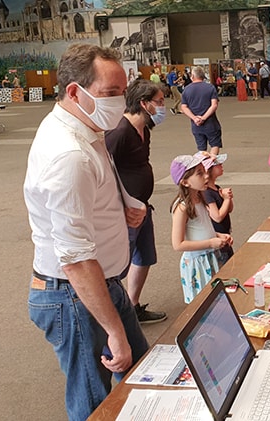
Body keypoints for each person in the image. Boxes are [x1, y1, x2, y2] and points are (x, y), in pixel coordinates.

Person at [23, 43, 149, 421]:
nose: (120, 102)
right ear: (75, 91)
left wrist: (123, 200)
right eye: (110, 94)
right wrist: (114, 330)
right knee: (94, 401)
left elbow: (98, 178)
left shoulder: (84, 125)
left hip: (100, 284)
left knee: (143, 374)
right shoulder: (68, 155)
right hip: (74, 295)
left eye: (122, 92)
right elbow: (75, 259)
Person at [105, 79, 167, 324]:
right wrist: (121, 207)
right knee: (118, 265)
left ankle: (132, 306)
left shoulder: (145, 129)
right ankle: (114, 316)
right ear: (144, 103)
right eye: (159, 102)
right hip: (126, 212)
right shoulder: (119, 132)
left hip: (142, 206)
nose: (163, 106)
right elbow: (104, 172)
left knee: (145, 257)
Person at [170, 154, 233, 303]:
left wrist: (219, 235)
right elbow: (178, 244)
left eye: (204, 171)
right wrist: (211, 243)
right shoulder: (182, 208)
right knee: (202, 304)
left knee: (217, 300)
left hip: (211, 256)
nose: (206, 176)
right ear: (185, 182)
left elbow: (202, 228)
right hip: (198, 263)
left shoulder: (201, 197)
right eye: (199, 173)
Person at [200, 152, 235, 266]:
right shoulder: (206, 193)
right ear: (208, 170)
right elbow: (217, 217)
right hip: (217, 239)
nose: (221, 165)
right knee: (224, 267)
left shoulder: (216, 188)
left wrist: (228, 199)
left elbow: (229, 209)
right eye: (217, 164)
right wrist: (225, 199)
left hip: (224, 236)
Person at [181, 66, 223, 155]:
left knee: (201, 149)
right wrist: (203, 118)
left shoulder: (186, 90)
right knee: (215, 145)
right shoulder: (210, 88)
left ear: (192, 76)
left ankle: (203, 167)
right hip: (211, 123)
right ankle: (211, 165)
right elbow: (214, 105)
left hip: (196, 125)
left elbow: (184, 107)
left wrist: (195, 118)